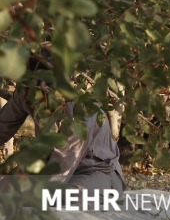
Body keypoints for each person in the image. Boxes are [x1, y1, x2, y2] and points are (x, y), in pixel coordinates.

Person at [0, 57, 125, 194]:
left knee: (60, 199)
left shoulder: (79, 117)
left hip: (96, 173)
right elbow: (2, 127)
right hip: (48, 163)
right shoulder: (25, 94)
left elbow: (57, 175)